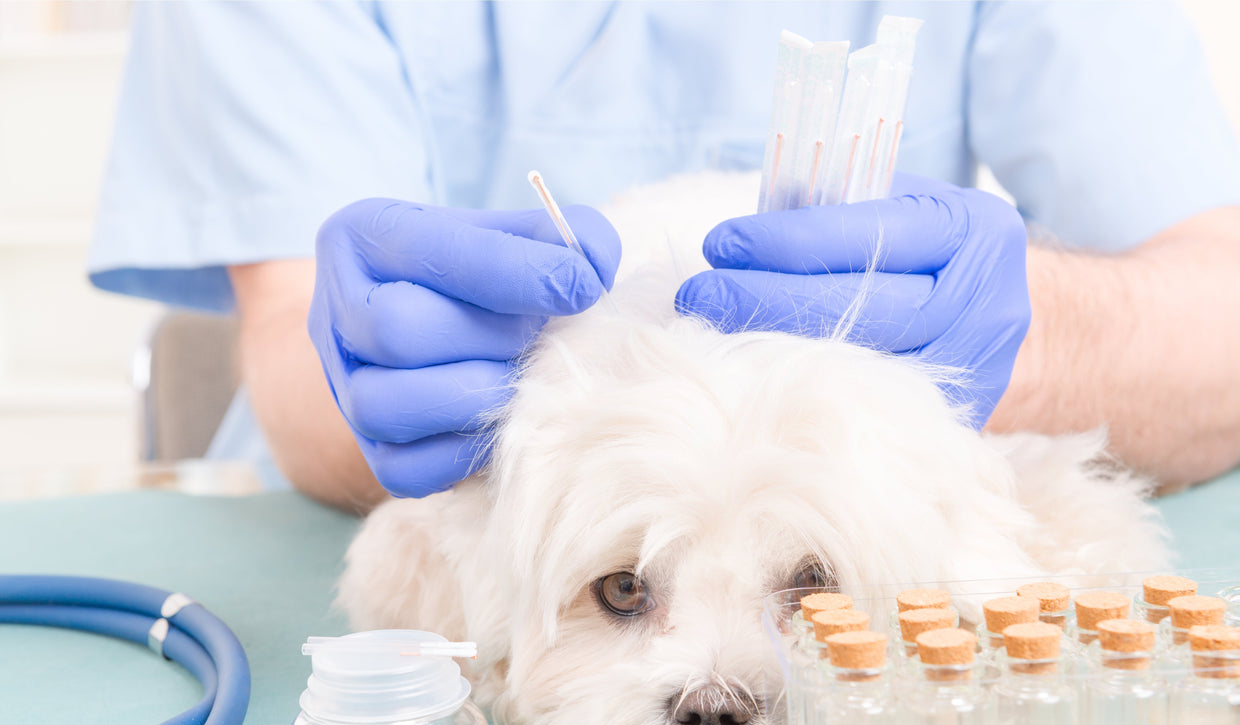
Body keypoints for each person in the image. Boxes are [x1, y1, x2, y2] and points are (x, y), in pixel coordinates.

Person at [89, 1, 1240, 514]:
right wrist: (387, 379)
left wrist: (1030, 340)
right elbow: (301, 356)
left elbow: (1218, 321)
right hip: (396, 578)